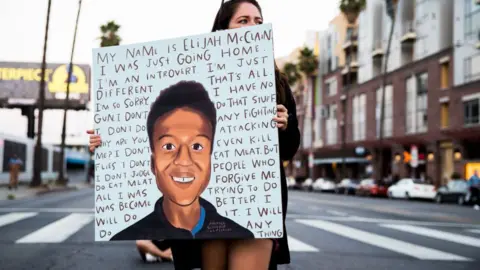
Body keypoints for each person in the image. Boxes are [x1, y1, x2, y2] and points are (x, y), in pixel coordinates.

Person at [88, 0, 300, 268]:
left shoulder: (276, 82)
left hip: (255, 203)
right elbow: (154, 132)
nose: (252, 27)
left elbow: (289, 150)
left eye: (258, 21)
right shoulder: (192, 76)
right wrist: (108, 141)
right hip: (206, 204)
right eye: (243, 21)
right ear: (223, 29)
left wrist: (286, 125)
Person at [109, 81, 253, 241]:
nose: (183, 160)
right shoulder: (126, 236)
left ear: (211, 159)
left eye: (197, 146)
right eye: (169, 146)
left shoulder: (240, 235)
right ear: (152, 163)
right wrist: (104, 144)